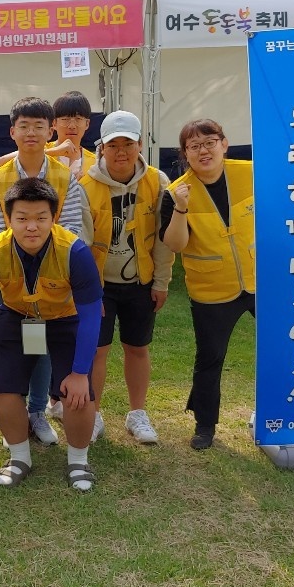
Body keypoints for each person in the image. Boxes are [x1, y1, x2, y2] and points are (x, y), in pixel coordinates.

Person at [0, 178, 103, 490]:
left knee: (77, 393)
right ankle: (20, 457)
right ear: (9, 219)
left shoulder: (74, 251)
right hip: (20, 316)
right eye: (22, 218)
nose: (31, 227)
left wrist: (79, 373)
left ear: (54, 217)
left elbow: (91, 317)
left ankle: (78, 461)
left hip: (65, 319)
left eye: (40, 218)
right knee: (4, 389)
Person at [0, 97, 84, 447]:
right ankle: (18, 414)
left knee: (43, 343)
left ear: (50, 131)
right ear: (12, 131)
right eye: (24, 126)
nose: (31, 132)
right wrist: (19, 255)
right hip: (11, 275)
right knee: (23, 341)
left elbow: (73, 226)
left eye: (39, 126)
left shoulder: (64, 176)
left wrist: (46, 255)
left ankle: (38, 410)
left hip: (56, 275)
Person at [79, 110, 174, 444]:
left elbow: (163, 238)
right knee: (96, 351)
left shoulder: (158, 182)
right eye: (113, 145)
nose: (121, 152)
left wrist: (161, 281)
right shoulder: (85, 186)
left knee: (138, 348)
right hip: (101, 286)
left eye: (128, 144)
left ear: (140, 145)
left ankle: (137, 413)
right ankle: (94, 414)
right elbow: (83, 245)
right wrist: (90, 293)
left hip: (140, 283)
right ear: (101, 147)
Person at [161, 119, 255, 450]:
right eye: (194, 146)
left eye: (209, 142)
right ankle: (205, 425)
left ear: (224, 144)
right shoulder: (175, 192)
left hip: (262, 281)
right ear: (185, 154)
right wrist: (181, 208)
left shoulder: (254, 172)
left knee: (289, 345)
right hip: (212, 289)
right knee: (210, 356)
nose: (203, 151)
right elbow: (174, 244)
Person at [0, 90, 95, 178]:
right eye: (65, 119)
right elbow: (2, 161)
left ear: (87, 124)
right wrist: (54, 151)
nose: (72, 126)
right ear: (54, 123)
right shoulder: (40, 146)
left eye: (78, 119)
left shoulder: (94, 161)